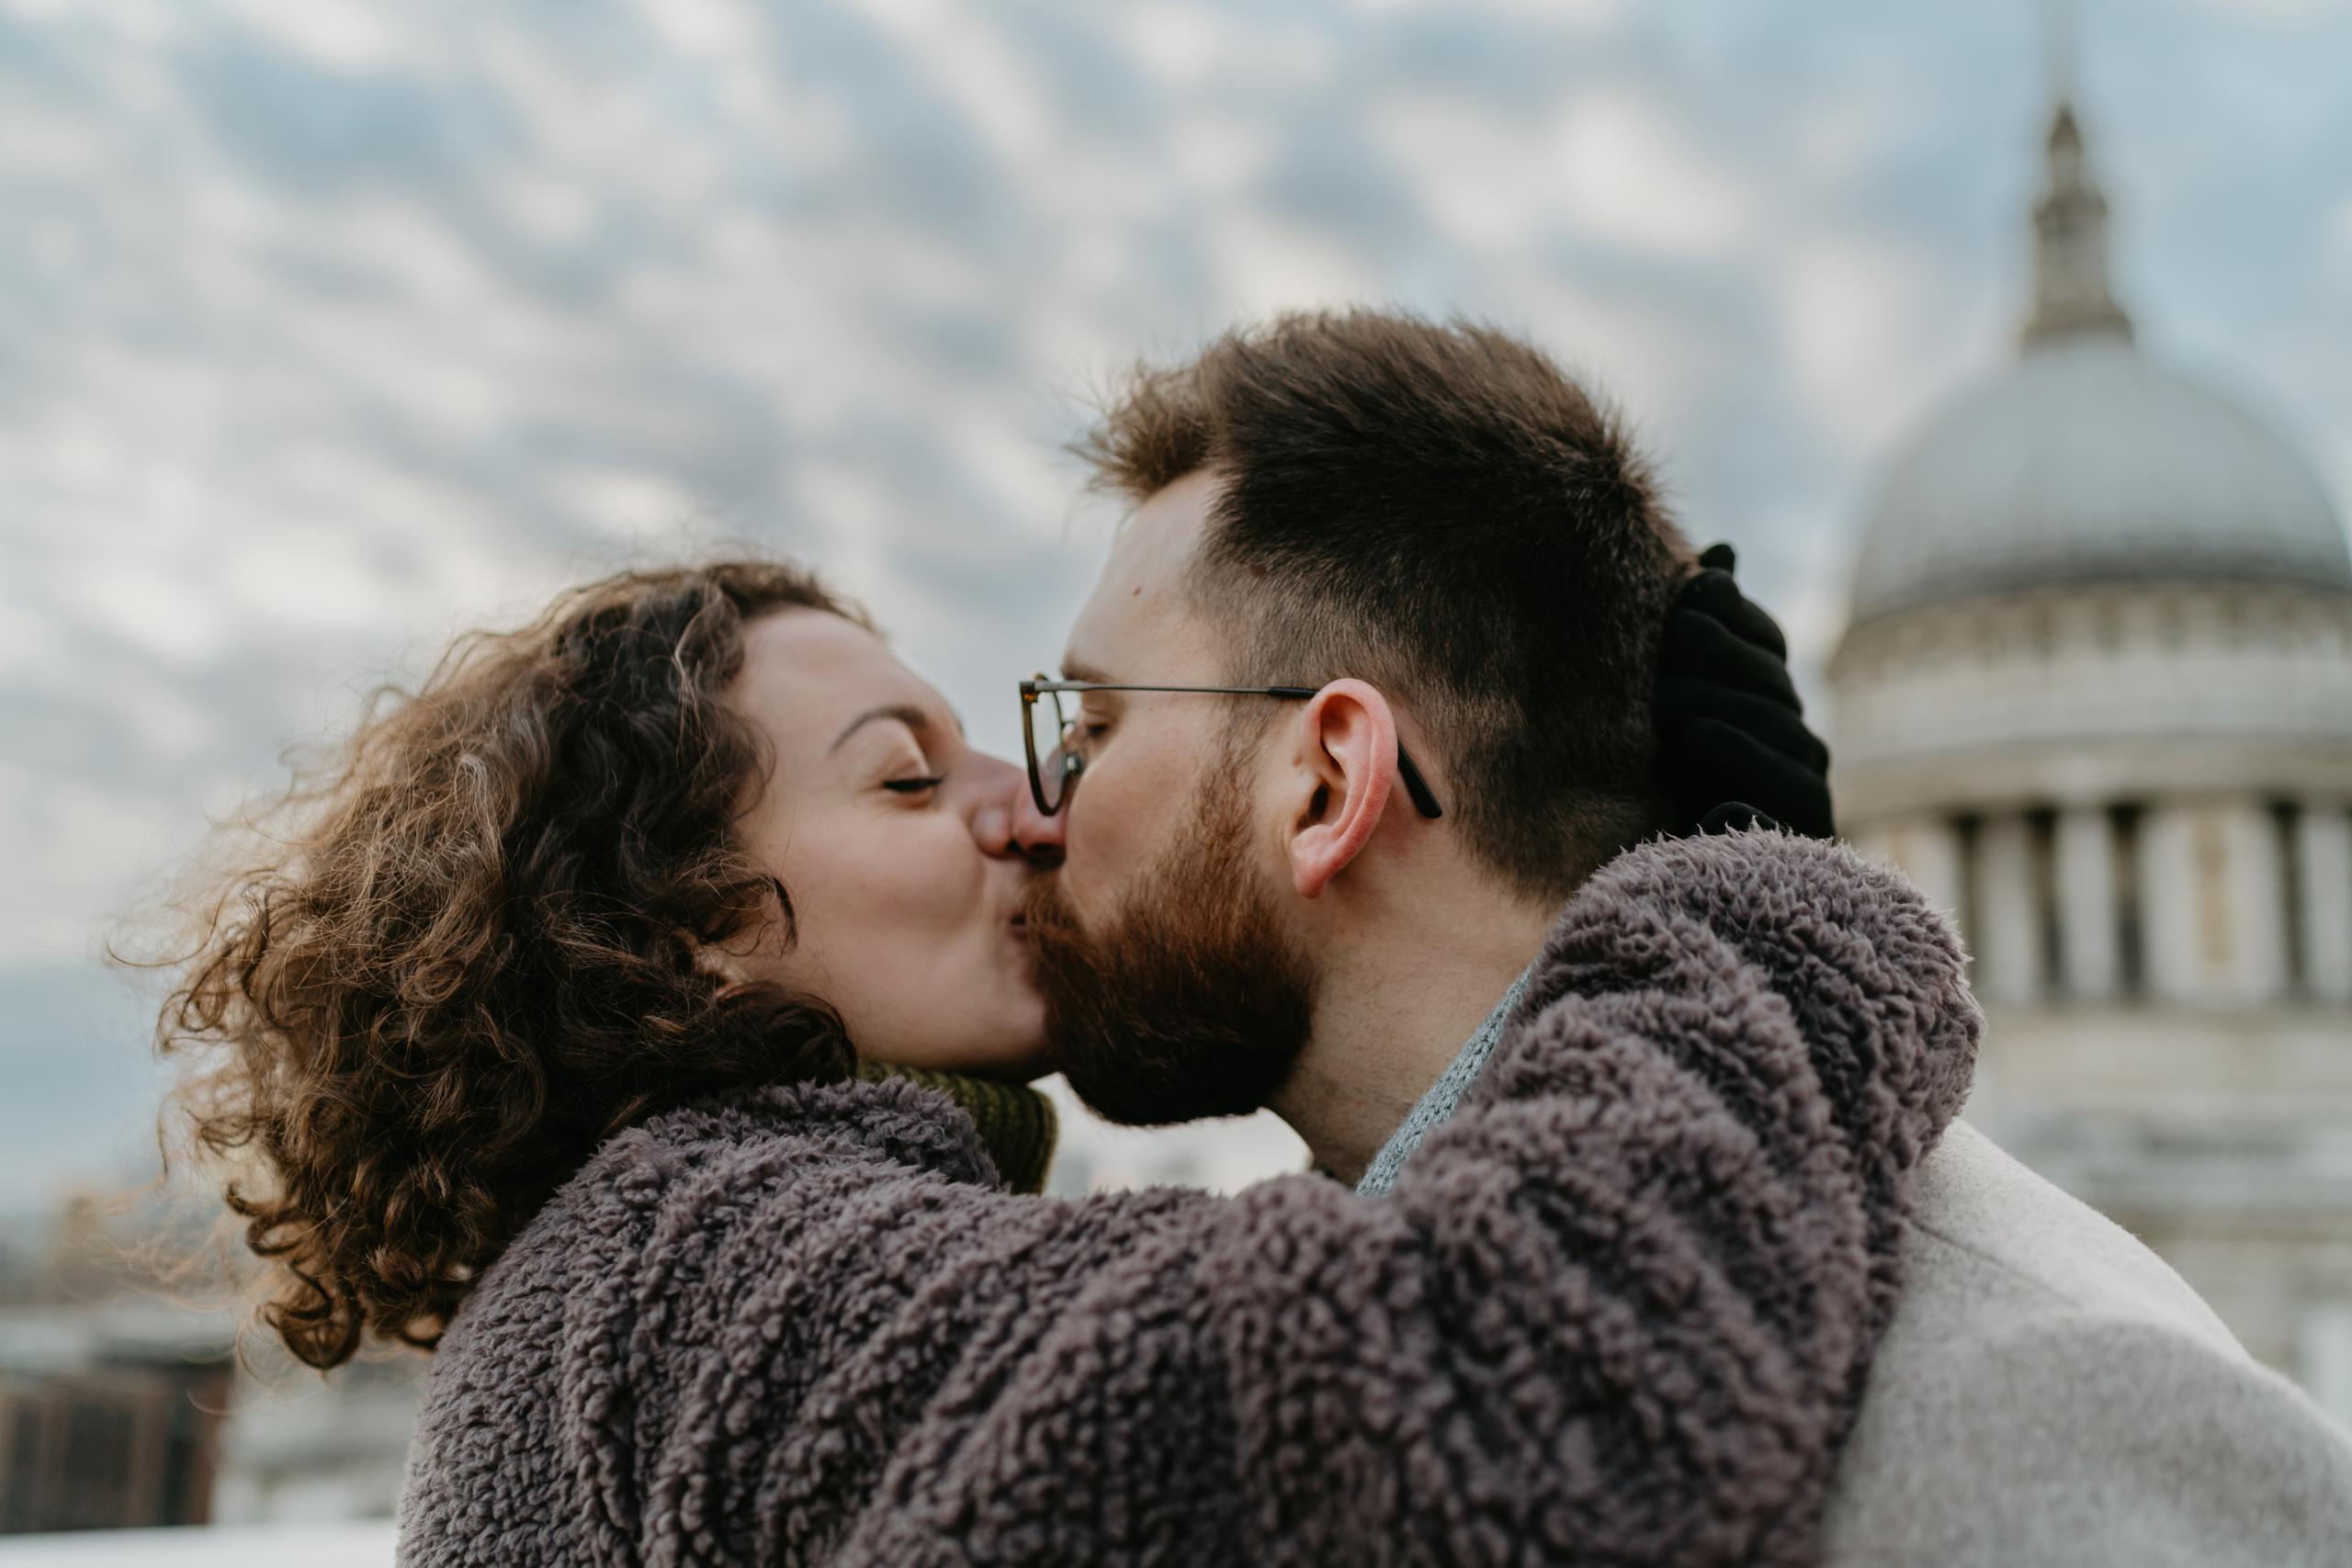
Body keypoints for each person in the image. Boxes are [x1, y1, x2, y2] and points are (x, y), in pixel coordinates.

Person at [155, 543, 1974, 1562]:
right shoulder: (710, 1272)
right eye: (900, 770)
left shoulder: (627, 1281)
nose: (1032, 806)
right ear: (678, 931)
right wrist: (1740, 900)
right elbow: (1524, 1405)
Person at [1027, 309, 2352, 1565]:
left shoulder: (2063, 1424)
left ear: (1324, 782)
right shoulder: (1326, 1313)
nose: (1034, 820)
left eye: (1090, 730)